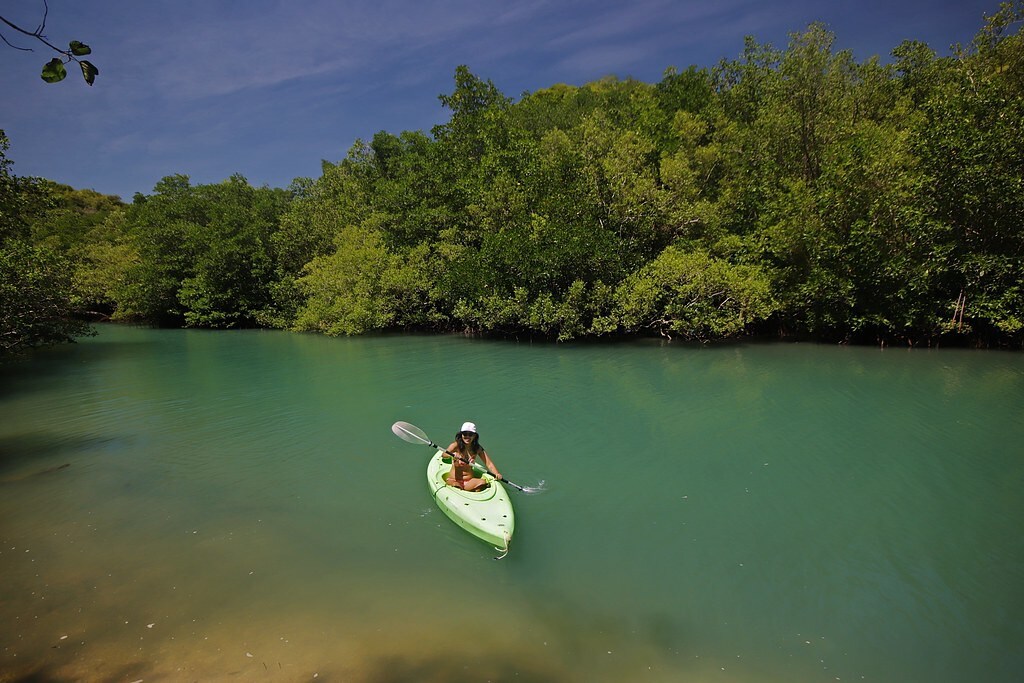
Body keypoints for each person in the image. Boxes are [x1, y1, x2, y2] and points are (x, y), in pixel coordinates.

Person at [444, 422, 503, 491]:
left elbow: (488, 463)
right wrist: (453, 455)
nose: (467, 437)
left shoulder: (477, 448)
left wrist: (497, 473)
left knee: (482, 482)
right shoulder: (455, 445)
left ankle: (471, 491)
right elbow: (444, 455)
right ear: (461, 435)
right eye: (465, 434)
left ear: (474, 436)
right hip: (454, 480)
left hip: (469, 481)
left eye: (470, 434)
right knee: (457, 486)